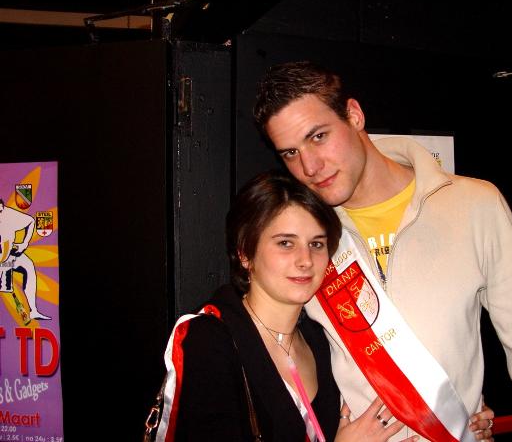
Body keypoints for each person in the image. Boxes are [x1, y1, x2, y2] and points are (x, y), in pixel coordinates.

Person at [253, 61, 512, 442]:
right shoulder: (305, 234)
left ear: (354, 115)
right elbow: (268, 350)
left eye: (319, 136)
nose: (309, 166)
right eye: (290, 153)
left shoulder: (475, 205)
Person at [156, 170, 494, 442]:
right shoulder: (209, 340)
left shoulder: (322, 336)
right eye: (285, 243)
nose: (305, 260)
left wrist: (464, 417)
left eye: (317, 244)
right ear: (245, 253)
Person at [0, 198, 51, 320]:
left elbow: (31, 221)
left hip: (7, 257)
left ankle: (33, 311)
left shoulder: (9, 214)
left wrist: (24, 243)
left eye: (0, 211)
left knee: (28, 266)